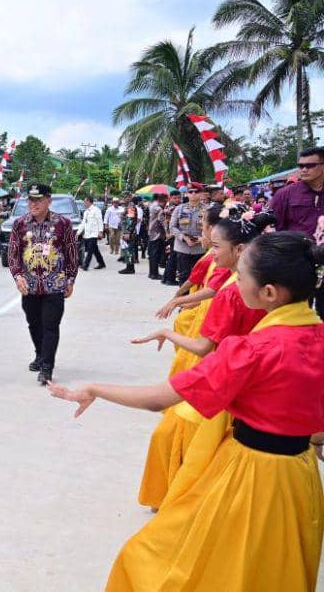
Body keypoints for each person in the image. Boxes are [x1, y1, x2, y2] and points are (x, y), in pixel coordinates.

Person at [49, 232, 324, 591]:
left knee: (174, 562)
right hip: (301, 476)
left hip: (252, 477)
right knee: (275, 571)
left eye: (242, 277)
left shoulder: (252, 350)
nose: (235, 283)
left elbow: (158, 399)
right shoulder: (316, 337)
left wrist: (94, 388)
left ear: (269, 292)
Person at [131, 205, 273, 510]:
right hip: (241, 376)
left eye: (216, 244)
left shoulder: (233, 292)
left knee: (176, 435)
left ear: (239, 249)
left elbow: (203, 346)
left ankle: (176, 498)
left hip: (222, 376)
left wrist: (166, 332)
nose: (210, 248)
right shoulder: (257, 288)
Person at [7, 184, 78, 385]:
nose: (34, 204)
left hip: (54, 285)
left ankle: (47, 367)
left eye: (38, 200)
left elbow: (72, 253)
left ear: (49, 200)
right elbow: (13, 254)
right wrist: (18, 276)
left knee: (50, 326)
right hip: (28, 286)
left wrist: (71, 279)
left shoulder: (63, 223)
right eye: (30, 200)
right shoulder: (19, 223)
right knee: (34, 323)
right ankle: (40, 354)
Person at [269, 146, 324, 318]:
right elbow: (273, 227)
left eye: (310, 165)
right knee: (297, 312)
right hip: (298, 263)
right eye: (300, 166)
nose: (304, 169)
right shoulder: (285, 194)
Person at [169, 183, 206, 284]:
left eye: (196, 191)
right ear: (187, 194)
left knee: (199, 277)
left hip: (200, 248)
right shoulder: (179, 209)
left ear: (201, 194)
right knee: (184, 276)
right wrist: (184, 238)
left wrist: (201, 239)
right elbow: (172, 227)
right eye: (190, 192)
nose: (193, 194)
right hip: (183, 248)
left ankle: (194, 299)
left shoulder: (207, 210)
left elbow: (212, 228)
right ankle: (183, 299)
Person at [78, 196, 105, 270]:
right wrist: (78, 232)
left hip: (94, 233)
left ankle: (85, 265)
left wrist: (100, 231)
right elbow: (83, 223)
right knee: (95, 250)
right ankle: (101, 263)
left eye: (85, 201)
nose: (84, 203)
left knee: (90, 250)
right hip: (87, 234)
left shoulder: (96, 210)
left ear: (89, 201)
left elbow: (100, 221)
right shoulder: (86, 212)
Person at [146, 194, 168, 280]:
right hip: (157, 234)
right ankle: (154, 274)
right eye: (166, 201)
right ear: (163, 201)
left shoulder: (152, 206)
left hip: (151, 233)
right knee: (155, 255)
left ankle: (151, 273)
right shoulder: (159, 209)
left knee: (152, 255)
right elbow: (162, 221)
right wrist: (167, 231)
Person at [117, 204, 138, 274]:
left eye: (125, 196)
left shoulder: (131, 207)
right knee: (127, 250)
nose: (124, 198)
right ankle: (129, 267)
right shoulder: (127, 207)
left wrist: (128, 232)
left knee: (129, 250)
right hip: (127, 231)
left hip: (129, 233)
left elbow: (131, 221)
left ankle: (130, 268)